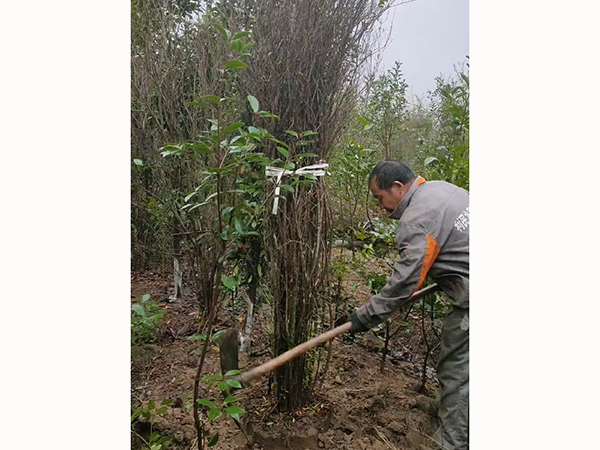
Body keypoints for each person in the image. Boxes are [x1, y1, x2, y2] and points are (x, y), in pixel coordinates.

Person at [349, 160, 469, 450]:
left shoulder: (416, 219)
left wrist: (364, 317)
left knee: (458, 370)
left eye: (380, 198)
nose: (382, 208)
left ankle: (452, 441)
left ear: (398, 187)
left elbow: (406, 281)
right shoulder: (444, 190)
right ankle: (451, 410)